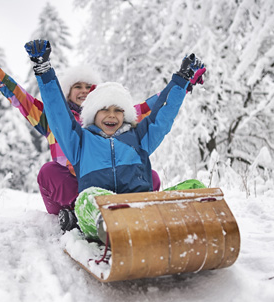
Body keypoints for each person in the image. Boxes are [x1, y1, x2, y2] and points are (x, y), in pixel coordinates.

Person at [0, 37, 181, 221]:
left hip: (115, 185)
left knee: (150, 175)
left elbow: (155, 108)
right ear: (67, 91)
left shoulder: (114, 116)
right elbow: (15, 93)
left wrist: (183, 84)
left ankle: (132, 213)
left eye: (89, 87)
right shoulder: (52, 118)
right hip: (73, 189)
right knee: (48, 172)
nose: (84, 91)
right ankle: (79, 215)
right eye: (78, 87)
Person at [25, 39, 206, 240]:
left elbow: (163, 114)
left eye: (118, 110)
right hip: (102, 214)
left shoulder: (139, 138)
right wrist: (44, 70)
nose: (111, 115)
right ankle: (112, 230)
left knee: (193, 187)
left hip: (141, 211)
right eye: (104, 110)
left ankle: (199, 227)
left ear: (126, 114)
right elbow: (58, 113)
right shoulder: (80, 143)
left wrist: (181, 80)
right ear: (93, 114)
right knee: (86, 199)